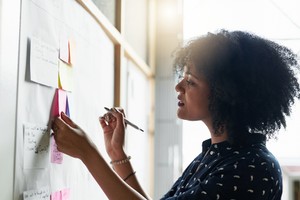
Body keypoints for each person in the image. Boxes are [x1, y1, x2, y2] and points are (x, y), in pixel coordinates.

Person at [52, 30, 300, 199]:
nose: (178, 86)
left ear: (226, 94)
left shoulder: (252, 168)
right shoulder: (218, 155)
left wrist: (88, 153)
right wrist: (117, 154)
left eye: (190, 81)